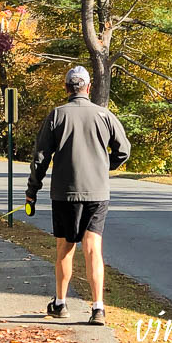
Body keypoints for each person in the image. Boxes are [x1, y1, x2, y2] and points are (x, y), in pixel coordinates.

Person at [25, 64, 131, 326]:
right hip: (97, 192)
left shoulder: (56, 115)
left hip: (65, 193)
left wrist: (32, 191)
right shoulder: (104, 115)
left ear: (66, 88)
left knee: (65, 248)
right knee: (94, 248)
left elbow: (40, 157)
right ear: (88, 87)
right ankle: (98, 308)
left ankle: (60, 303)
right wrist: (104, 166)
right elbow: (124, 150)